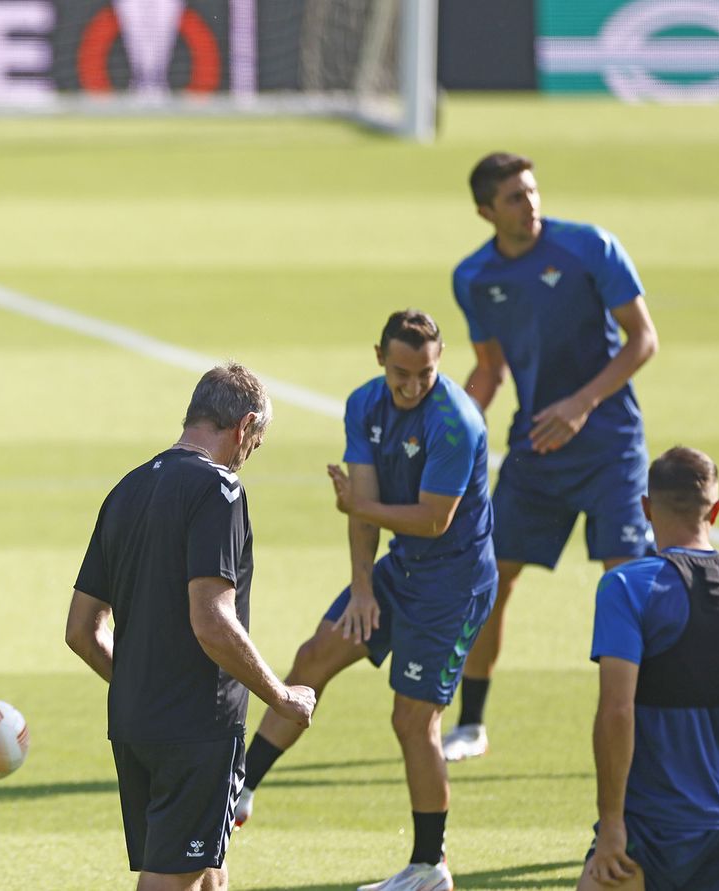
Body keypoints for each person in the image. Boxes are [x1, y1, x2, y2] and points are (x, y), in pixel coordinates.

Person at [230, 311, 495, 891]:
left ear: (439, 360)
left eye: (425, 372)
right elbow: (366, 504)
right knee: (315, 656)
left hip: (454, 587)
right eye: (402, 371)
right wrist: (362, 587)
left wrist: (357, 508)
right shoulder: (363, 404)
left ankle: (430, 868)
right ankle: (241, 793)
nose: (413, 384)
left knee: (412, 719)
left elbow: (432, 518)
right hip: (401, 570)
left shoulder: (456, 423)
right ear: (380, 357)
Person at [65, 362, 317, 891]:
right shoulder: (219, 490)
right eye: (255, 443)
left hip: (135, 722)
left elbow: (82, 630)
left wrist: (141, 684)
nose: (249, 457)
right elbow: (212, 619)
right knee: (170, 878)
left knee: (206, 870)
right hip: (197, 726)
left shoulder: (127, 489)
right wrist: (280, 697)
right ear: (244, 426)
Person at [444, 152, 659, 762]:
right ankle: (471, 724)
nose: (529, 203)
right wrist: (449, 434)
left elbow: (643, 339)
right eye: (513, 197)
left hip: (609, 444)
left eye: (531, 191)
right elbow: (489, 371)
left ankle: (648, 724)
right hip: (537, 448)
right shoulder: (474, 277)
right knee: (492, 580)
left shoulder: (590, 247)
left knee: (626, 584)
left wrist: (582, 404)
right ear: (486, 211)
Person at [580, 447, 719, 891]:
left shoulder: (626, 587)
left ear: (645, 507)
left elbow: (616, 712)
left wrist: (612, 823)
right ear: (715, 510)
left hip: (651, 827)